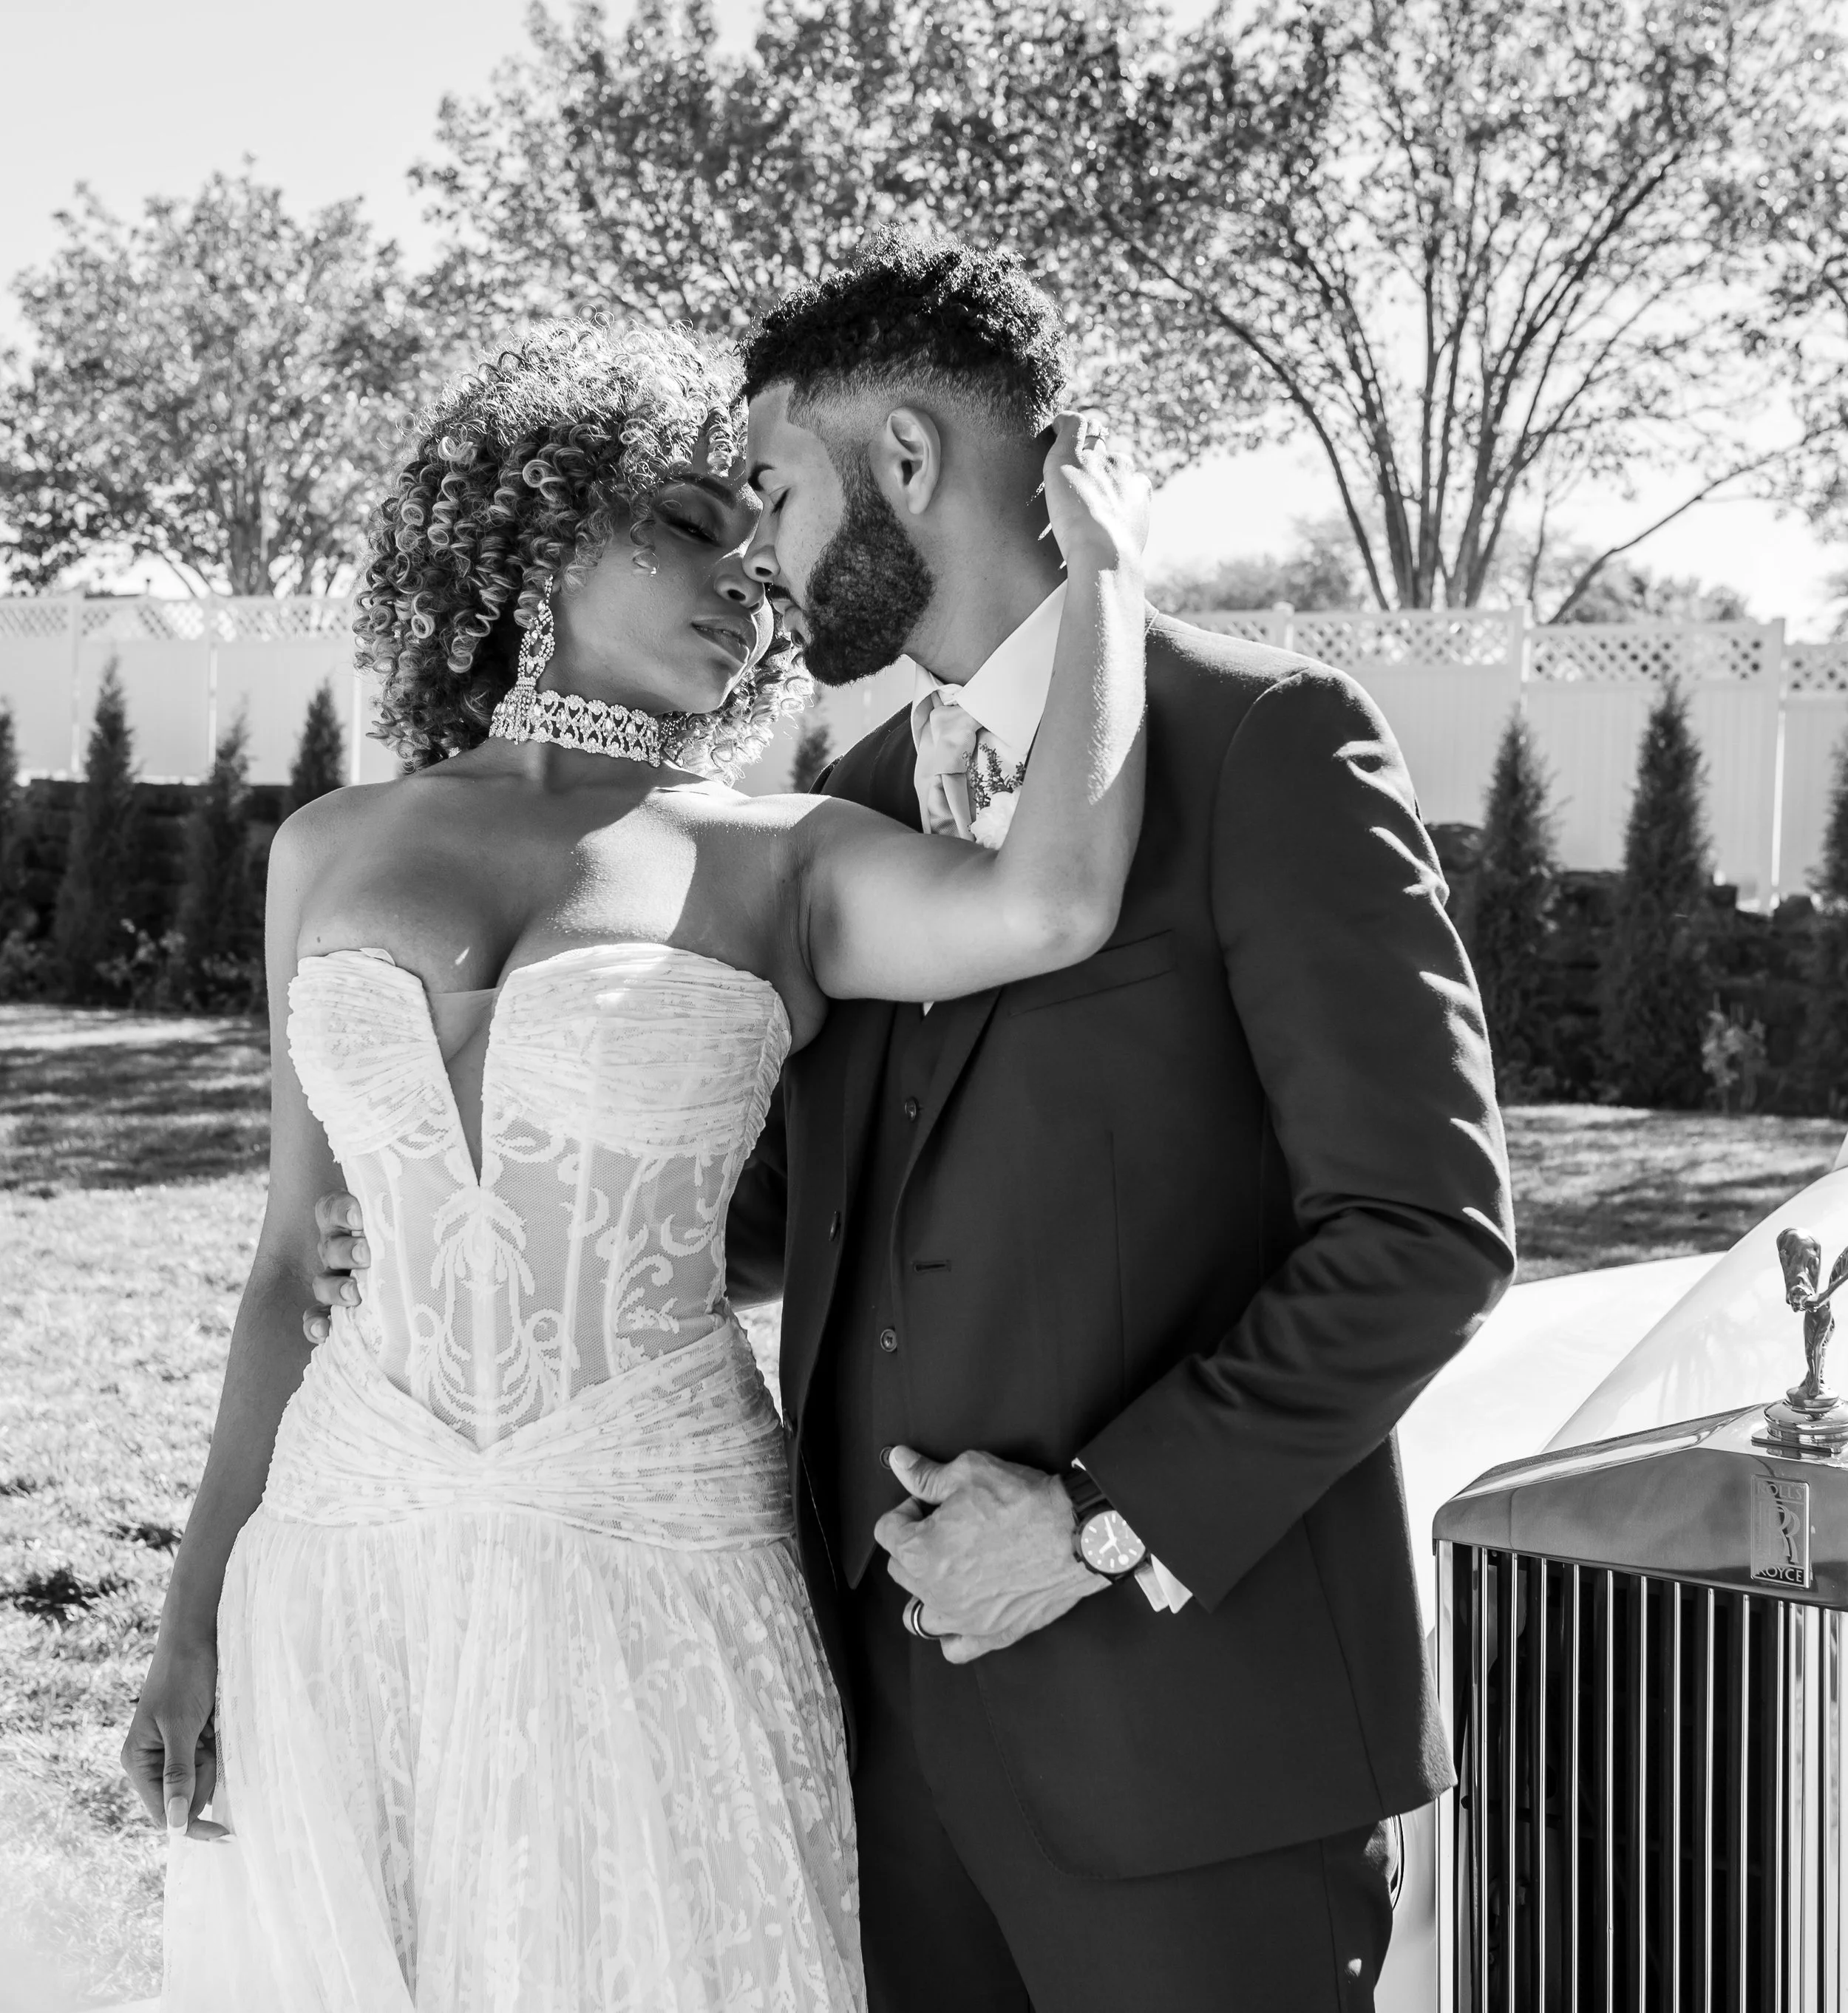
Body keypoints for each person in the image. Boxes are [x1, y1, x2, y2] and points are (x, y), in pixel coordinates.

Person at [311, 233, 1517, 2011]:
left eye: (774, 483)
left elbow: (1424, 1233)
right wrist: (476, 1202)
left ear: (901, 465)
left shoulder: (1264, 740)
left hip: (1183, 1752)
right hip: (870, 1740)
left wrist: (1101, 1522)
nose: (762, 557)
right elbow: (785, 1196)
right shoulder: (850, 811)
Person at [123, 318, 1150, 2012]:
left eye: (760, 545)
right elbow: (284, 1266)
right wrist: (190, 1613)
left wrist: (1101, 572)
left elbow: (1047, 904)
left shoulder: (783, 856)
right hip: (339, 1543)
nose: (747, 570)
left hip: (646, 1548)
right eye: (687, 517)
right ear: (532, 534)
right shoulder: (328, 844)